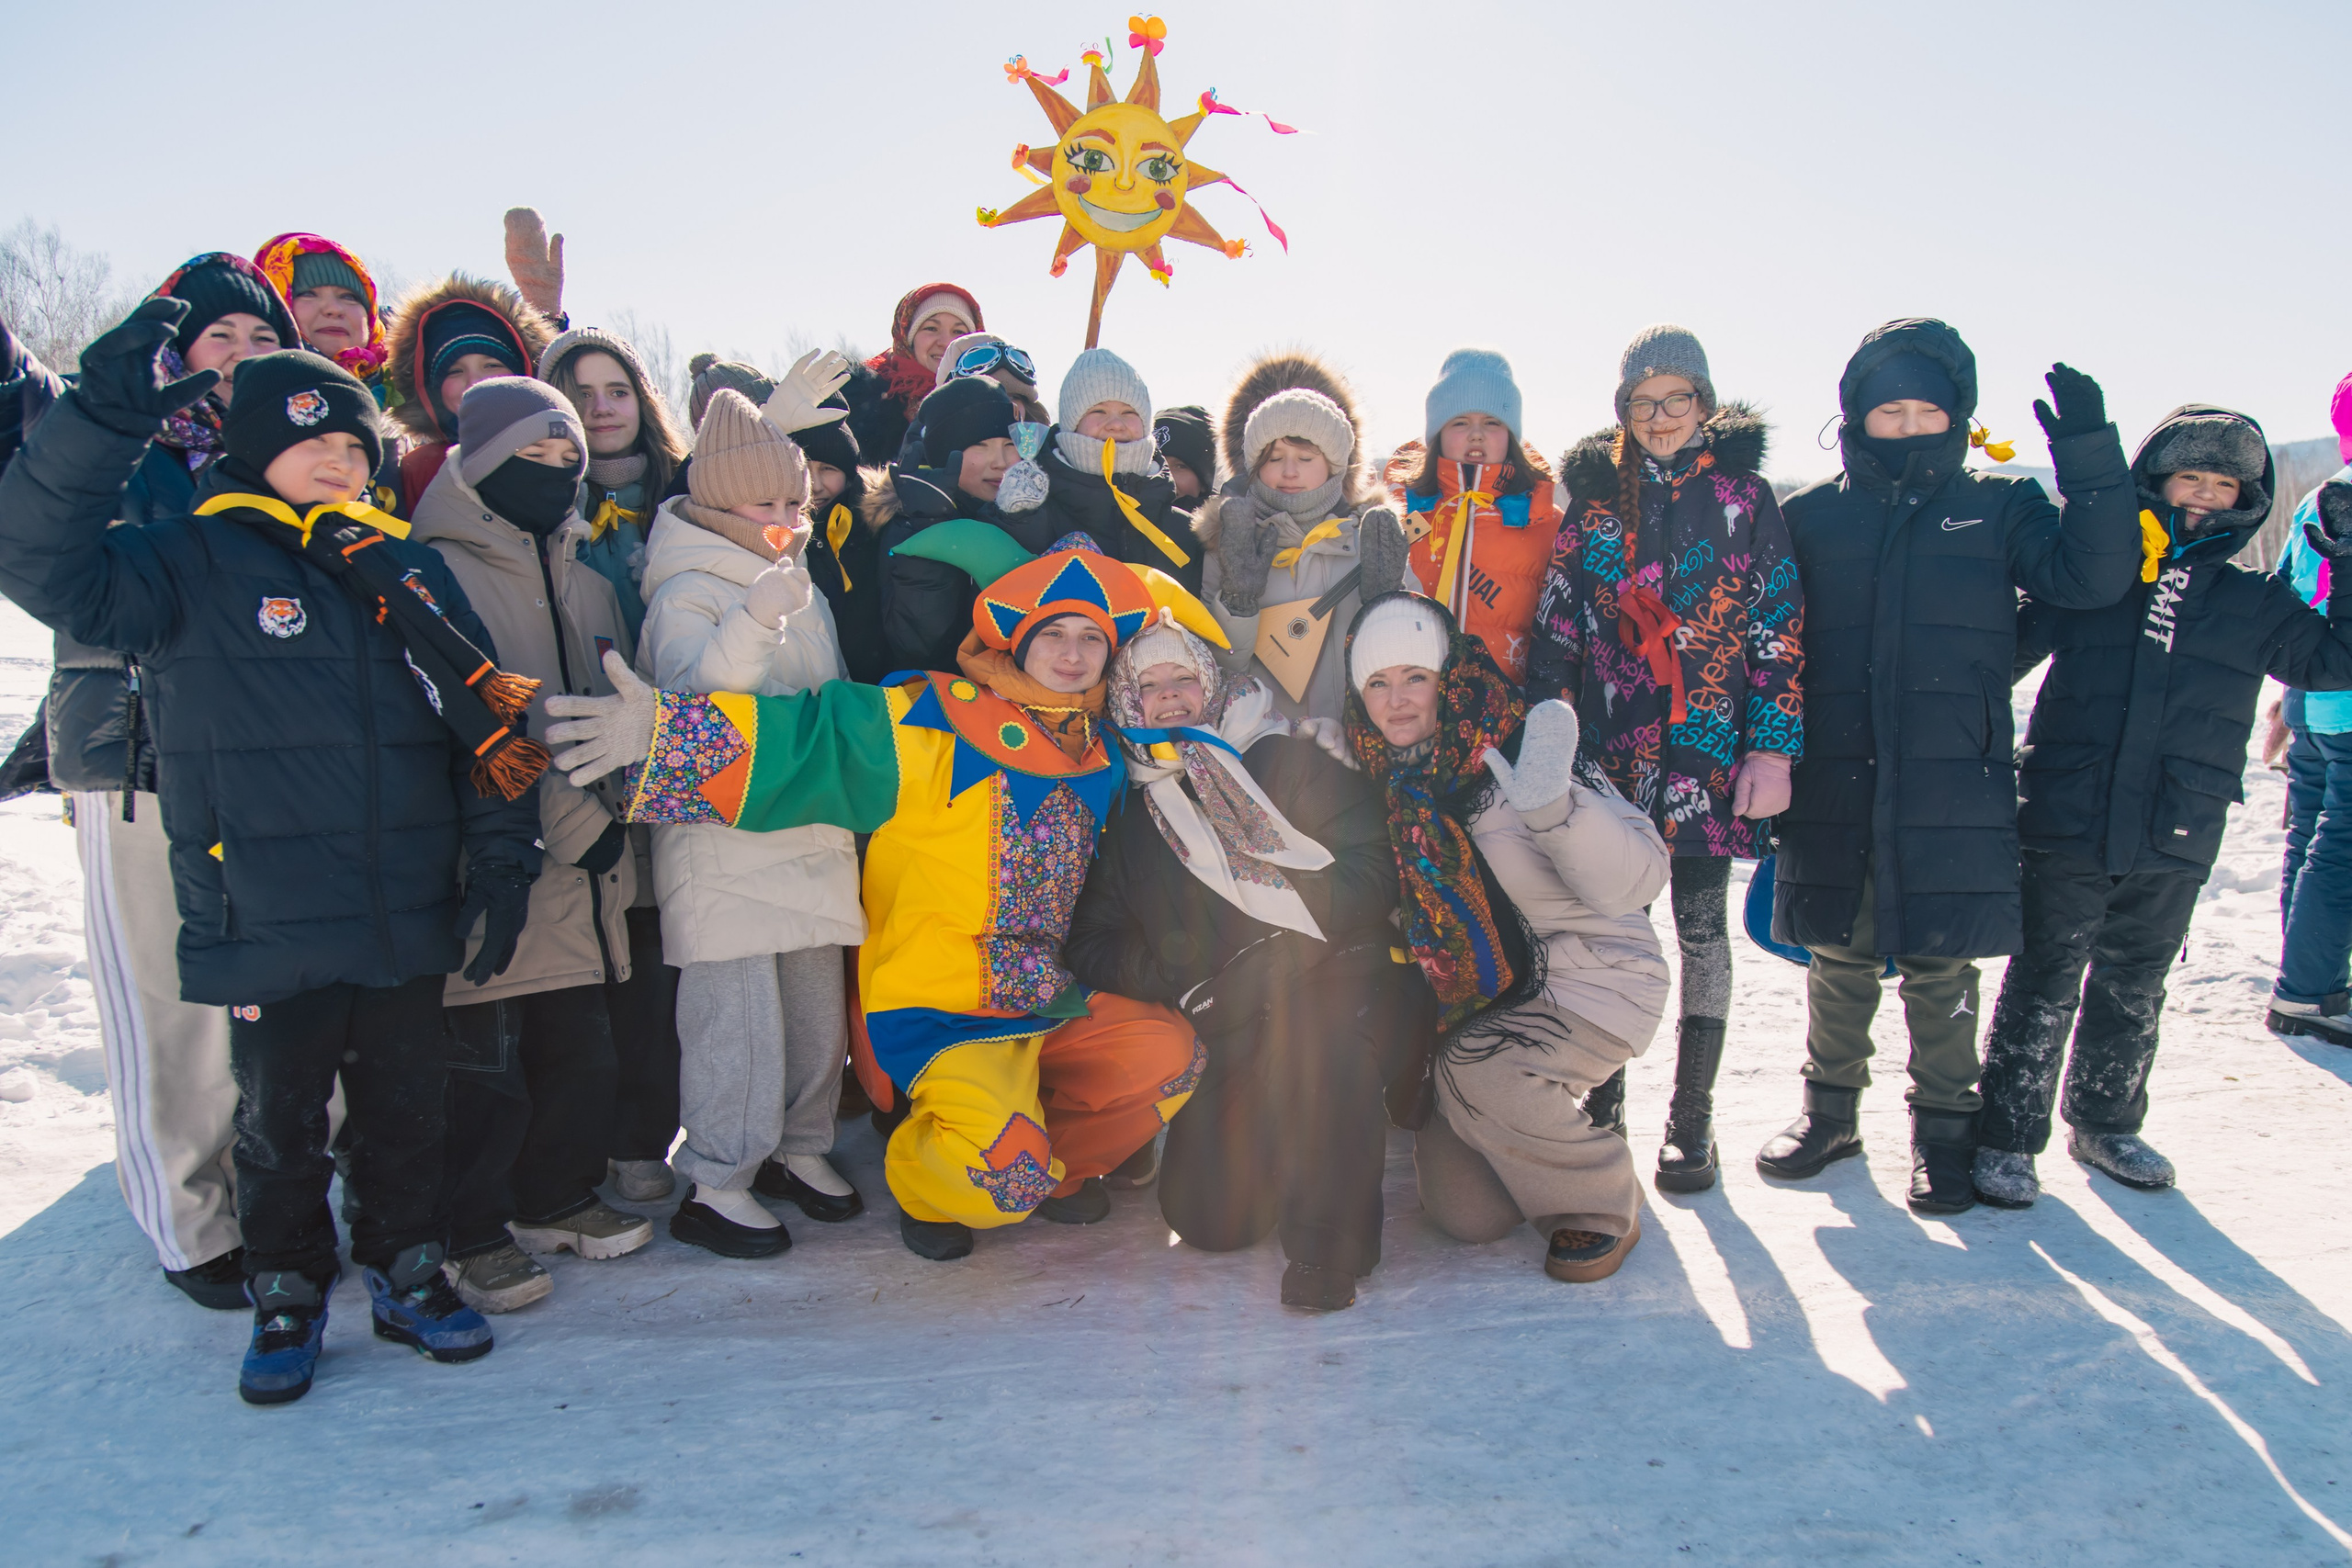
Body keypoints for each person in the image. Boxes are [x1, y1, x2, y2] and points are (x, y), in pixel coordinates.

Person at [0, 313, 543, 1403]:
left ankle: (407, 1268)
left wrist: (501, 860)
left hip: (400, 905)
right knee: (277, 1123)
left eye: (353, 443)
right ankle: (287, 1289)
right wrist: (98, 421)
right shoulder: (182, 562)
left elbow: (483, 724)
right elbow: (40, 560)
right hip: (266, 910)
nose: (337, 460)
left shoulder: (405, 569)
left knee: (405, 1111)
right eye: (308, 438)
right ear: (252, 447)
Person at [540, 525, 1211, 1262]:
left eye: (1091, 637)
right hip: (946, 1001)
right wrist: (663, 732)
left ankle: (1054, 1164)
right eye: (1053, 632)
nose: (1072, 653)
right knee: (1003, 1185)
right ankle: (929, 1184)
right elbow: (814, 740)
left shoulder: (1107, 747)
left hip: (1054, 992)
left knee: (1171, 1059)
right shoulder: (936, 717)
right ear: (1016, 638)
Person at [1760, 319, 2137, 1215]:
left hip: (1952, 775)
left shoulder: (2000, 507)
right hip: (1837, 770)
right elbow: (1769, 636)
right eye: (1888, 410)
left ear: (1957, 414)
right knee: (1838, 954)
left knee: (1942, 962)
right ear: (1855, 414)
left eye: (1926, 410)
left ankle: (1943, 1133)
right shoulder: (1810, 515)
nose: (1907, 426)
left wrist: (2089, 455)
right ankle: (1829, 1115)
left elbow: (2092, 577)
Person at [0, 262, 293, 1310]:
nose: (244, 358)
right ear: (176, 355)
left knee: (273, 1003)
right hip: (141, 763)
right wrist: (101, 415)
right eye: (221, 338)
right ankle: (190, 1222)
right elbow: (39, 514)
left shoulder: (293, 463)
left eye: (264, 341)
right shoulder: (120, 450)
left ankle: (274, 1188)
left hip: (270, 767)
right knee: (171, 1007)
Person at [1976, 406, 2352, 1204]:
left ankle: (2106, 1120)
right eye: (2191, 476)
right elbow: (1995, 658)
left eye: (2225, 483)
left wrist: (2346, 560)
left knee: (2136, 978)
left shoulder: (2255, 602)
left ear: (2249, 500)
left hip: (2179, 821)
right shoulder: (2099, 579)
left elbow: (2336, 662)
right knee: (2044, 974)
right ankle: (2006, 1134)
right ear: (2156, 482)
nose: (2207, 493)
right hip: (2069, 811)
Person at [1064, 618, 1410, 1310]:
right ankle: (1285, 1146)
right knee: (1208, 1220)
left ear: (1211, 684)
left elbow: (1377, 869)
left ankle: (1326, 1250)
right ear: (1129, 701)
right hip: (1231, 1008)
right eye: (1150, 685)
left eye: (1183, 678)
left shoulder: (1283, 757)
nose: (1170, 695)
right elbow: (1092, 940)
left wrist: (1285, 940)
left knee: (1323, 1051)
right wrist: (1177, 973)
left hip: (1338, 976)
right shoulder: (1133, 812)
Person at [1531, 325, 1804, 1191]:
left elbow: (1778, 628)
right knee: (1614, 932)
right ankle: (1603, 1101)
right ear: (1622, 410)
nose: (1660, 415)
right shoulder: (1595, 507)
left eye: (1675, 398)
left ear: (1704, 403)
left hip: (1707, 756)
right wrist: (1553, 740)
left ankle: (1693, 1118)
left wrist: (1773, 747)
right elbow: (1558, 629)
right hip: (1612, 758)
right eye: (1642, 401)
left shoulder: (1745, 498)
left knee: (1701, 930)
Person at [412, 378, 656, 1311]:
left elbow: (622, 711)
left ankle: (555, 1194)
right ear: (478, 465)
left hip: (591, 876)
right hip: (497, 861)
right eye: (530, 458)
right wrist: (570, 819)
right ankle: (471, 1229)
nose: (553, 475)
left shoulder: (591, 582)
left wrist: (616, 820)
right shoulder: (435, 573)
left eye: (567, 461)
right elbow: (465, 725)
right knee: (487, 1065)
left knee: (580, 1051)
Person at [1343, 595, 1669, 1281]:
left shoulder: (1520, 747)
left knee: (1478, 1068)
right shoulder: (1386, 781)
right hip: (1486, 1004)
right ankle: (1538, 1147)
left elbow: (1639, 877)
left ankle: (1603, 1197)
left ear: (1450, 676)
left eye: (1415, 677)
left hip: (1594, 978)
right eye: (1377, 682)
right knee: (1467, 1214)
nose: (1397, 701)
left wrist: (1554, 810)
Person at [638, 390, 865, 1258]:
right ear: (715, 505)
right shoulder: (685, 590)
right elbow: (698, 703)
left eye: (794, 502)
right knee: (735, 1021)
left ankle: (798, 1145)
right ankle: (718, 1178)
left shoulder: (803, 586)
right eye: (762, 502)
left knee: (813, 1011)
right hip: (722, 837)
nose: (784, 518)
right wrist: (757, 616)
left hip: (807, 822)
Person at [1199, 354, 1406, 724]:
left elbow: (1412, 660)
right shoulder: (1230, 543)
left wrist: (1387, 603)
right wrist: (1237, 605)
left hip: (1356, 741)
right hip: (1263, 746)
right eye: (1274, 457)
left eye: (1306, 458)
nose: (1289, 471)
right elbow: (1214, 671)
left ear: (1334, 464)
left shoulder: (1372, 539)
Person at [1384, 349, 1565, 683]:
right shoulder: (1401, 511)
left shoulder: (1546, 523)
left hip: (1505, 702)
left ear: (1511, 435)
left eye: (1492, 422)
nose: (1476, 434)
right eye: (1460, 422)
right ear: (1438, 435)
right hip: (1410, 701)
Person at [2269, 372, 2352, 1049]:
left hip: (2313, 695)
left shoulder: (2318, 497)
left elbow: (2297, 593)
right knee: (2342, 843)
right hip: (2345, 698)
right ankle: (2308, 989)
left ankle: (2305, 976)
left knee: (2313, 835)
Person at [871, 376, 1060, 672]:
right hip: (944, 692)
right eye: (980, 446)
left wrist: (1018, 520)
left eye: (1009, 444)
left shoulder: (1040, 509)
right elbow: (919, 646)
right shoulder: (907, 523)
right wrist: (930, 525)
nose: (1000, 461)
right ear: (943, 456)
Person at [537, 326, 693, 642]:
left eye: (618, 392)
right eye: (582, 394)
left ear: (642, 400)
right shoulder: (535, 505)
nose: (602, 408)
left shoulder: (690, 491)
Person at [384, 273, 553, 513]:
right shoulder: (420, 469)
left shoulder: (558, 454)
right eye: (455, 371)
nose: (474, 383)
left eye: (492, 365)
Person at [1035, 349, 1199, 592]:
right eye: (1098, 411)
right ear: (1072, 424)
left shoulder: (1185, 530)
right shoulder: (1036, 518)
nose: (1116, 425)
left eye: (1128, 412)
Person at [845, 283, 982, 462]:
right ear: (908, 338)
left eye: (958, 331)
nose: (945, 342)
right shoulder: (863, 399)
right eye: (931, 328)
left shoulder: (992, 401)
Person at [935, 331, 1049, 427]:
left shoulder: (1047, 445)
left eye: (1014, 397)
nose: (1006, 405)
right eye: (987, 398)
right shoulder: (927, 447)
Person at [1153, 404, 1216, 517]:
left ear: (1203, 484)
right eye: (1156, 464)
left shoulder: (1231, 526)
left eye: (1179, 466)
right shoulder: (1121, 521)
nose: (1166, 477)